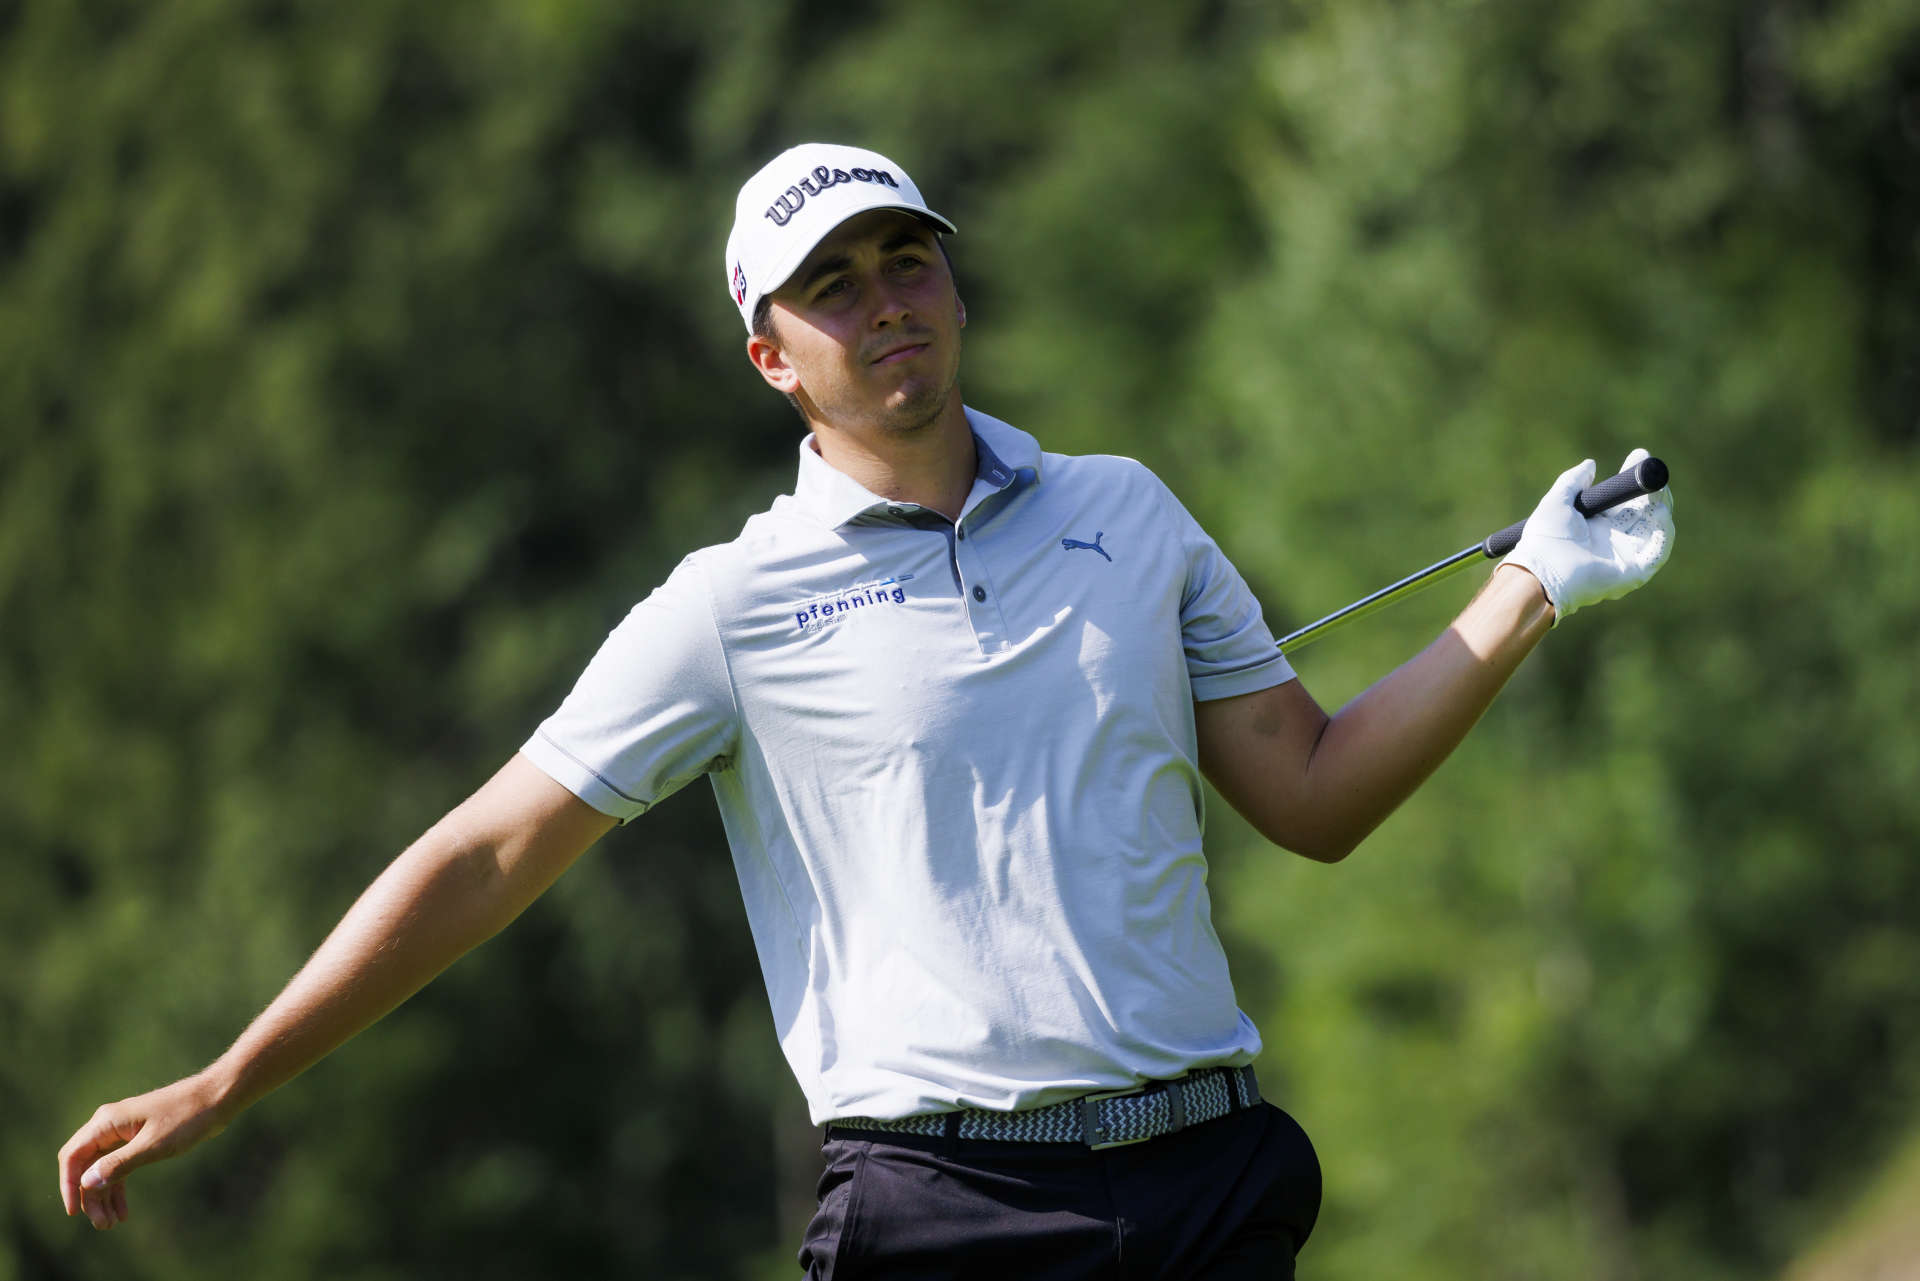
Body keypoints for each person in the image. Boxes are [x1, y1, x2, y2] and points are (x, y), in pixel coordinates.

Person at [58, 143, 1674, 1276]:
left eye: (909, 258)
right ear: (773, 358)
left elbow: (1311, 793)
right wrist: (225, 1079)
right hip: (948, 1209)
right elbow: (487, 855)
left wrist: (1531, 581)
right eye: (835, 286)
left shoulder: (1127, 509)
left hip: (1207, 1178)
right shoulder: (729, 605)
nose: (888, 298)